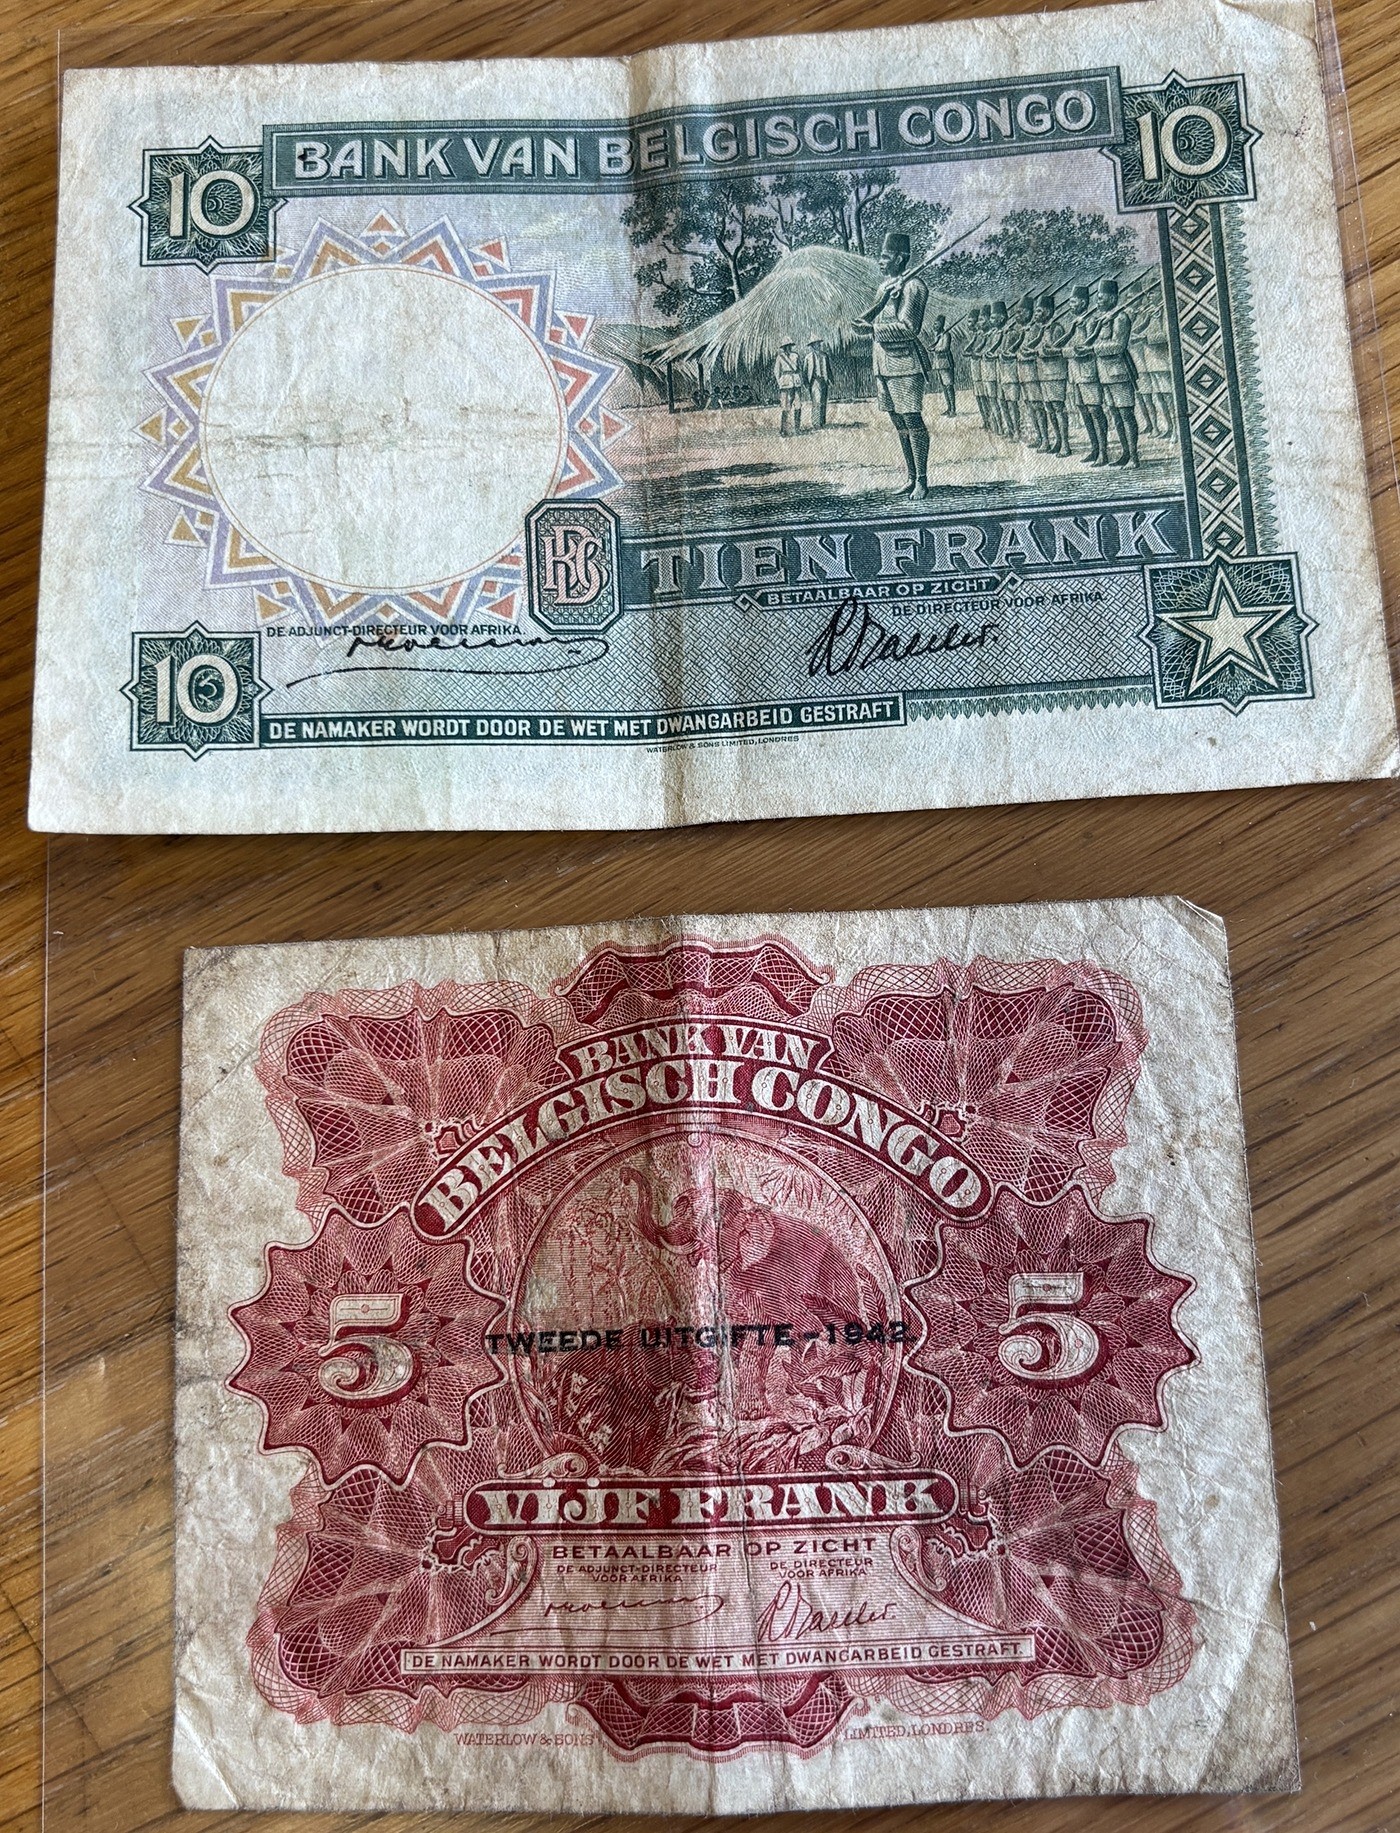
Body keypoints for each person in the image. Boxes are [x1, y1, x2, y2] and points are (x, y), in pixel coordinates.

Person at [862, 231, 931, 497]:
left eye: (885, 256)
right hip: (883, 365)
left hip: (905, 364)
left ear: (900, 259)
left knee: (912, 420)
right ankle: (911, 477)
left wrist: (873, 329)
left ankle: (922, 480)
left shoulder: (914, 287)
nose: (880, 261)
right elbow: (869, 320)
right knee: (899, 423)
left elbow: (909, 327)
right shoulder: (884, 288)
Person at [1092, 276, 1139, 466]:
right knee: (1115, 415)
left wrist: (1094, 348)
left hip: (1119, 373)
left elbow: (1119, 345)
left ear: (1112, 298)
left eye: (1101, 298)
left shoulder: (1120, 318)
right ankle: (1125, 453)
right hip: (1105, 375)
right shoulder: (1102, 319)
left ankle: (1134, 456)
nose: (1098, 301)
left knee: (1126, 415)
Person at [1067, 284, 1108, 466]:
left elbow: (1087, 347)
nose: (1070, 305)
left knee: (1095, 411)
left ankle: (1103, 452)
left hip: (1088, 373)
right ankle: (1094, 449)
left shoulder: (1091, 321)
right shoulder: (1075, 322)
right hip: (1076, 374)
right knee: (1084, 411)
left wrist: (1070, 351)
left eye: (1073, 302)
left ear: (1083, 303)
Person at [1040, 293, 1075, 455]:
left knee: (1058, 408)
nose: (1036, 314)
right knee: (1049, 408)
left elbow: (1057, 350)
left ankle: (1065, 444)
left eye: (1039, 311)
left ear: (1048, 312)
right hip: (1044, 373)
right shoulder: (1042, 329)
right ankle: (1058, 440)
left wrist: (1043, 351)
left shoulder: (1057, 328)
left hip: (1056, 373)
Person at [1018, 292, 1052, 450]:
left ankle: (1045, 439)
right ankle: (1039, 437)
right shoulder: (1024, 329)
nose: (1018, 315)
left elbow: (1033, 349)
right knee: (1030, 406)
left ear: (1029, 313)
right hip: (1023, 373)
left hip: (1033, 373)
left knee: (1038, 406)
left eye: (1021, 312)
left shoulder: (1035, 329)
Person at [773, 337, 804, 436]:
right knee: (785, 406)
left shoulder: (796, 355)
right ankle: (784, 430)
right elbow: (776, 371)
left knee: (798, 405)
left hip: (796, 382)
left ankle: (797, 429)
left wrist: (800, 379)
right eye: (786, 346)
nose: (788, 348)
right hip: (786, 383)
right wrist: (780, 382)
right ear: (783, 347)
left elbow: (800, 368)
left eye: (790, 346)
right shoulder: (780, 357)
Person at [928, 313, 956, 417]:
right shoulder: (937, 336)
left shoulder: (946, 335)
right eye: (934, 324)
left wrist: (934, 349)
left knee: (949, 386)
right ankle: (949, 408)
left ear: (941, 324)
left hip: (946, 363)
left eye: (937, 324)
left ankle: (953, 409)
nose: (934, 326)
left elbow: (945, 348)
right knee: (944, 387)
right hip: (939, 364)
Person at [803, 335, 831, 428]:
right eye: (816, 344)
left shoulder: (824, 355)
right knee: (816, 401)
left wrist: (830, 379)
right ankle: (816, 423)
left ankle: (822, 421)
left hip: (824, 380)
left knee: (823, 401)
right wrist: (806, 383)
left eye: (819, 343)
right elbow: (805, 372)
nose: (818, 345)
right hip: (814, 380)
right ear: (812, 346)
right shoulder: (808, 357)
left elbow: (828, 369)